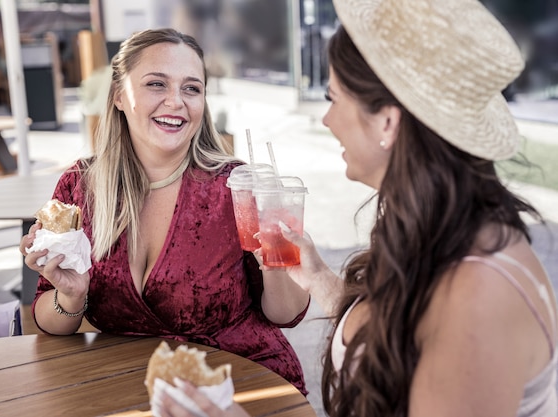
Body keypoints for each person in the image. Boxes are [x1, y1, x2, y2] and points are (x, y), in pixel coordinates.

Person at [157, 0, 558, 416]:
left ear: (387, 122)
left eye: (333, 98)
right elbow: (394, 337)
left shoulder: (476, 296)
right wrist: (319, 279)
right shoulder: (442, 230)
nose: (328, 120)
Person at [19, 28, 310, 395]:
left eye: (192, 88)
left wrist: (276, 261)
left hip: (240, 385)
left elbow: (286, 315)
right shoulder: (80, 187)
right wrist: (72, 296)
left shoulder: (235, 186)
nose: (176, 101)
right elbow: (51, 323)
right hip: (130, 389)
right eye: (157, 84)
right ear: (118, 96)